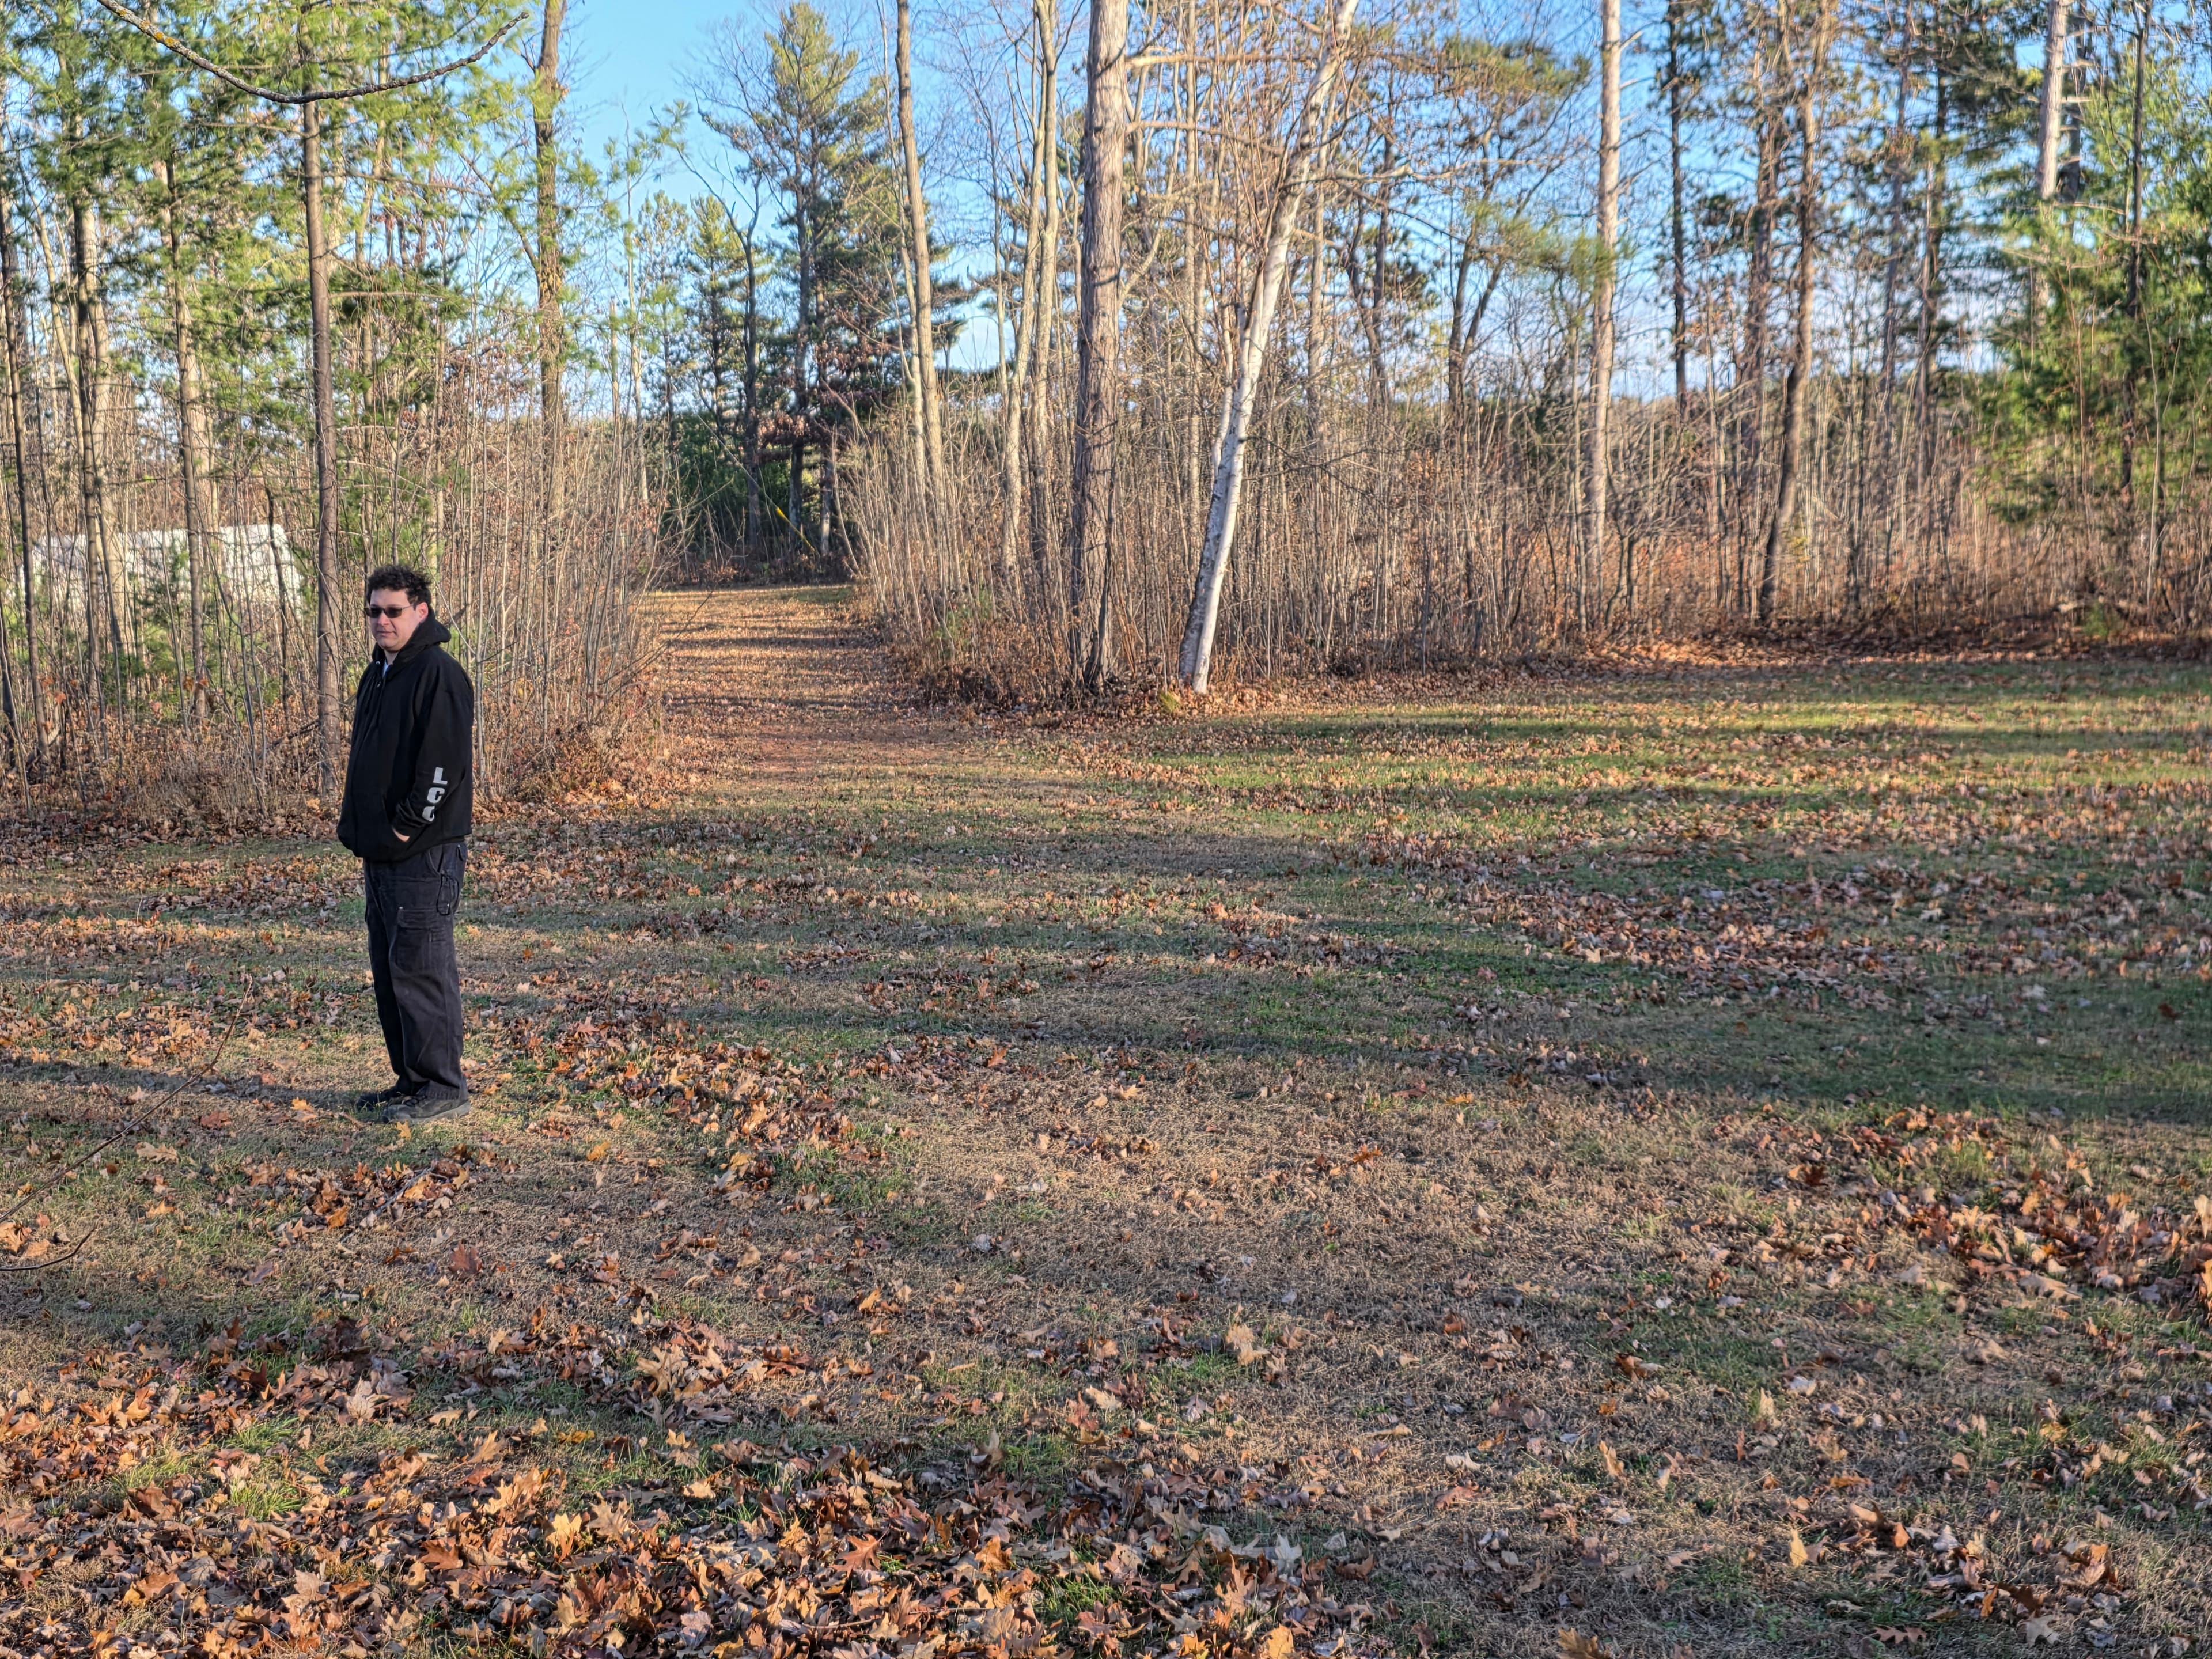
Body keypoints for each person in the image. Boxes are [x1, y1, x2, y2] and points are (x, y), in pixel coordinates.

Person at [339, 563, 475, 1122]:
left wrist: (406, 825)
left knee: (422, 967)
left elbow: (443, 765)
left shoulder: (438, 674)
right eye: (374, 610)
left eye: (392, 610)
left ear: (421, 611)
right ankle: (412, 1079)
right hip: (381, 854)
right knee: (393, 968)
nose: (381, 620)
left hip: (423, 851)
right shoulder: (380, 673)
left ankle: (443, 1086)